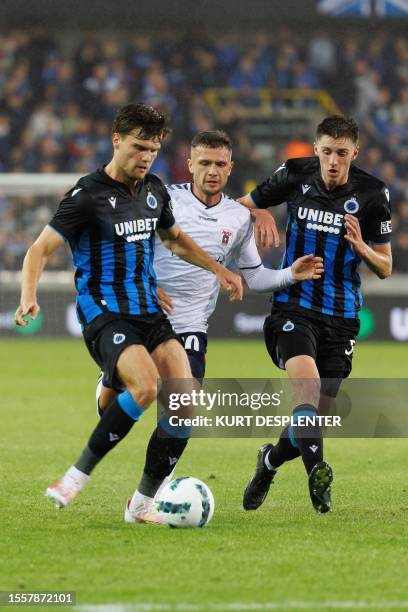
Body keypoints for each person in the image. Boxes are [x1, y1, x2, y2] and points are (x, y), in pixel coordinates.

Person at [15, 103, 244, 524]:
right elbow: (38, 250)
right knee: (146, 387)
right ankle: (73, 478)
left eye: (153, 150)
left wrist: (220, 269)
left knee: (184, 401)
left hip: (149, 311)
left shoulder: (153, 190)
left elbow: (175, 240)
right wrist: (28, 294)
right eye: (138, 147)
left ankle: (141, 504)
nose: (145, 157)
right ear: (116, 140)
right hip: (104, 310)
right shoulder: (86, 196)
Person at [95, 129, 324, 523]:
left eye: (220, 164)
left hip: (189, 328)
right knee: (111, 406)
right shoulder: (162, 198)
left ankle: (141, 503)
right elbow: (127, 246)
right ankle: (107, 384)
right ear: (190, 164)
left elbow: (254, 277)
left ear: (230, 168)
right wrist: (147, 284)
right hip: (142, 316)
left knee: (183, 409)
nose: (212, 171)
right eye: (205, 163)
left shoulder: (237, 218)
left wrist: (290, 273)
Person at [239, 115, 392, 514]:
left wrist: (363, 250)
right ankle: (317, 473)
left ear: (354, 153)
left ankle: (269, 462)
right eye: (326, 152)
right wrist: (258, 212)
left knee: (314, 420)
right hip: (294, 307)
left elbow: (386, 266)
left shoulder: (374, 194)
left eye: (342, 153)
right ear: (316, 149)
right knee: (305, 390)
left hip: (341, 316)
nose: (333, 161)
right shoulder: (294, 174)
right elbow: (239, 207)